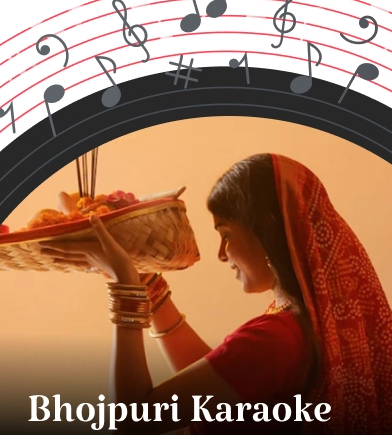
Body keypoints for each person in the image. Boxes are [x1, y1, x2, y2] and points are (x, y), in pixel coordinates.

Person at [40, 153, 392, 434]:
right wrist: (149, 285)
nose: (222, 254)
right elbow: (225, 374)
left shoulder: (273, 338)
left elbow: (134, 420)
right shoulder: (303, 322)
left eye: (226, 233)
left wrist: (127, 289)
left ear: (267, 231)